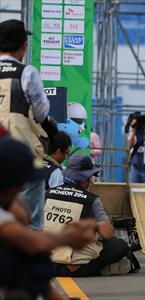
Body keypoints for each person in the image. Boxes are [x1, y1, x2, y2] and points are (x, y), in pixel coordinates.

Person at [0, 136, 96, 300]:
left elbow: (24, 217)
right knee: (28, 257)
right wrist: (68, 236)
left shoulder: (8, 200)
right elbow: (31, 241)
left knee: (32, 263)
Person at [0, 19, 54, 230]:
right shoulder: (26, 73)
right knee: (30, 222)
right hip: (22, 154)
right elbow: (42, 113)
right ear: (24, 46)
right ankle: (29, 259)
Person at [46, 154, 131, 277]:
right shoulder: (91, 199)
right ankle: (93, 268)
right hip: (72, 262)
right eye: (91, 176)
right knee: (120, 246)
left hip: (46, 259)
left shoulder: (47, 193)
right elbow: (107, 234)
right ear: (85, 178)